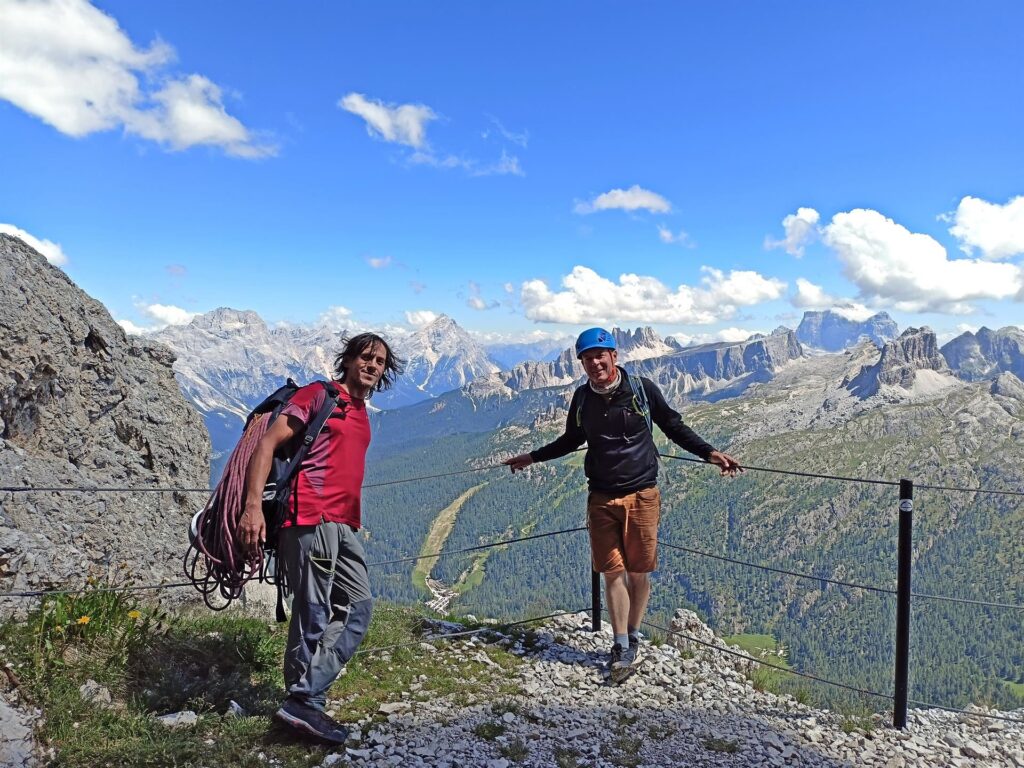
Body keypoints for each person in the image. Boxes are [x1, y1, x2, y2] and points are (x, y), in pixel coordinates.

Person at [503, 327, 741, 684]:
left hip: (642, 494)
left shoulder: (643, 390)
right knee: (612, 571)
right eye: (587, 358)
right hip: (600, 496)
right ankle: (621, 644)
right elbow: (571, 439)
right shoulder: (583, 398)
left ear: (614, 356)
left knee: (639, 572)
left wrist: (709, 453)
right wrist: (533, 457)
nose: (595, 363)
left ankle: (633, 633)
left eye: (601, 355)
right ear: (581, 362)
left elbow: (673, 426)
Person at [239, 332, 404, 744]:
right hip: (309, 516)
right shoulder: (318, 395)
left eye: (380, 361)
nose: (371, 365)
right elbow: (267, 445)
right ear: (347, 360)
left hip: (343, 523)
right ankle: (305, 705)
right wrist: (252, 507)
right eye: (365, 357)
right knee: (312, 612)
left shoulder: (361, 408)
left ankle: (303, 697)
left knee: (359, 606)